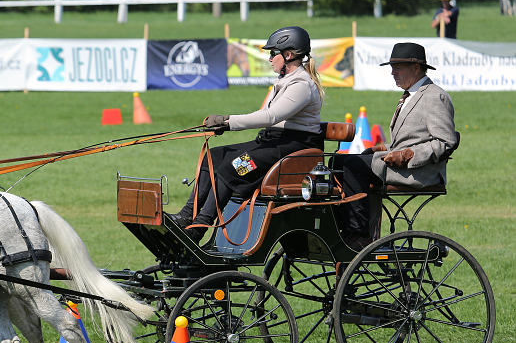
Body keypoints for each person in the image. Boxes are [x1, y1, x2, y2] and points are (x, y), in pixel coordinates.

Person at [168, 26, 325, 243]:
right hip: (276, 142)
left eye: (273, 53)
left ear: (288, 55)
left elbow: (271, 117)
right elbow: (267, 116)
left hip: (294, 147)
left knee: (234, 165)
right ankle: (186, 216)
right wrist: (225, 124)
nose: (269, 58)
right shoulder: (284, 80)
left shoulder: (301, 84)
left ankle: (198, 229)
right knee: (214, 156)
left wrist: (228, 122)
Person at [332, 42, 457, 250]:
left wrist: (409, 155)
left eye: (397, 67)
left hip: (419, 171)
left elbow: (445, 142)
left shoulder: (435, 96)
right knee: (337, 161)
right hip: (399, 165)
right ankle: (344, 226)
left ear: (416, 68)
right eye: (392, 67)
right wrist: (383, 148)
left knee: (353, 165)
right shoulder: (411, 95)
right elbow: (409, 138)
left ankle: (360, 233)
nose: (392, 73)